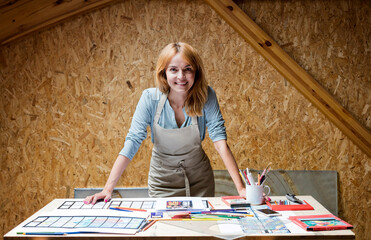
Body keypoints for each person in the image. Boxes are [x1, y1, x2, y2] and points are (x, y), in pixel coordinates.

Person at [84, 42, 246, 204]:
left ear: (196, 73)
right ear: (164, 73)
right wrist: (107, 189)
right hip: (162, 183)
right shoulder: (150, 99)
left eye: (187, 69)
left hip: (200, 181)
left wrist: (241, 188)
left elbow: (220, 143)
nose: (181, 76)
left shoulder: (206, 96)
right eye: (173, 70)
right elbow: (133, 141)